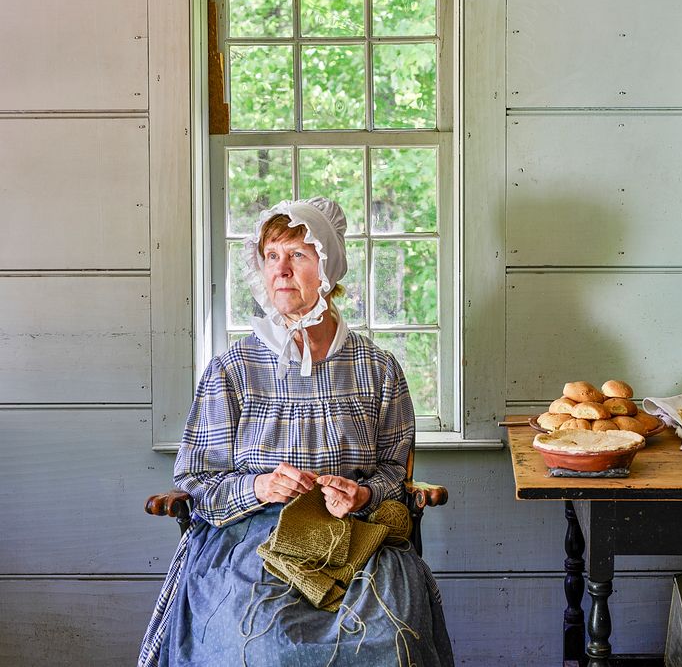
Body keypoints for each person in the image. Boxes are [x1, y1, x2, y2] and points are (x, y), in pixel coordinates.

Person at [138, 197, 454, 667]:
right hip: (252, 537)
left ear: (327, 267)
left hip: (356, 536)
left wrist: (362, 495)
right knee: (263, 646)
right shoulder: (234, 369)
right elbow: (197, 479)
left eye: (297, 256)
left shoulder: (378, 368)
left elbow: (393, 469)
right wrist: (259, 486)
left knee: (392, 638)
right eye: (271, 257)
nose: (281, 270)